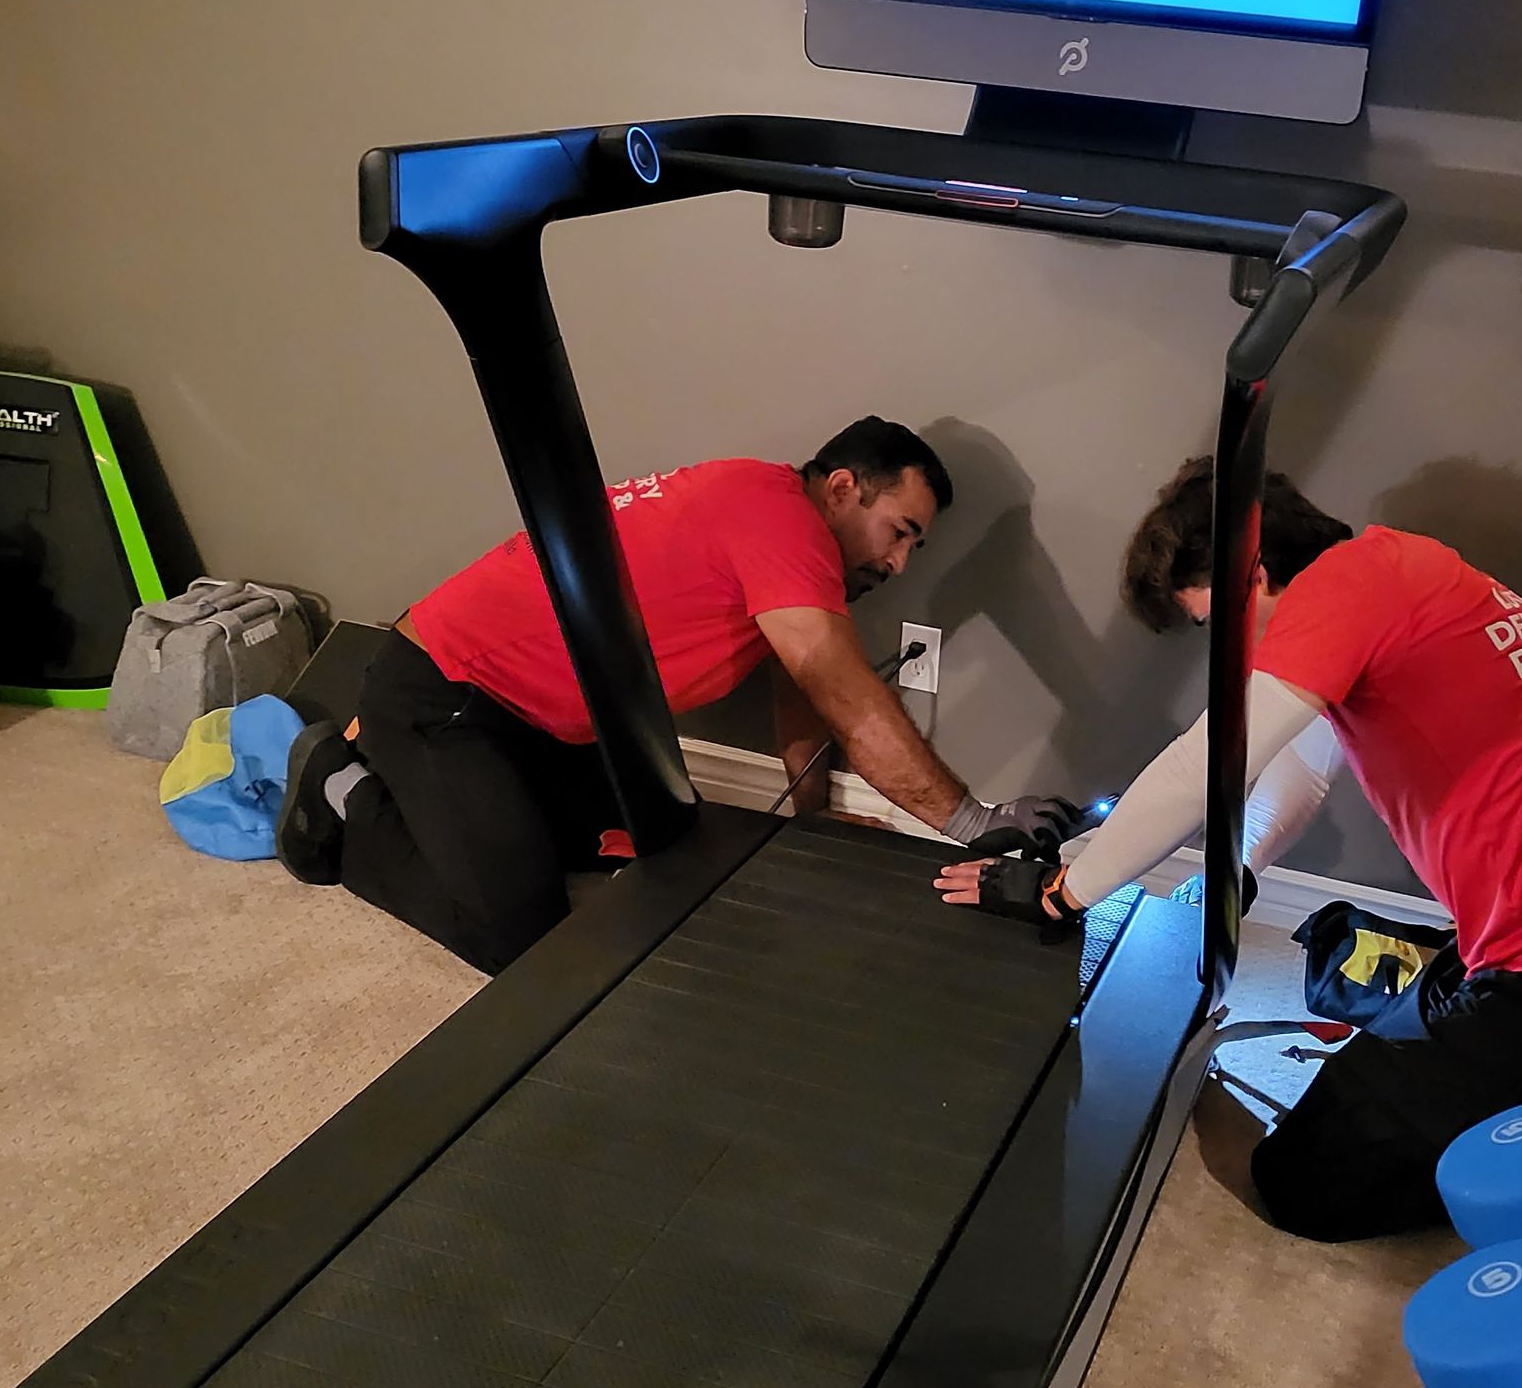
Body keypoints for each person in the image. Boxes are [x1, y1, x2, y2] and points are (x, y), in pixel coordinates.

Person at [937, 461, 1522, 1243]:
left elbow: (1203, 764)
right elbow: (1303, 769)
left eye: (1214, 623)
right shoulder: (1407, 572)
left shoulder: (1340, 593)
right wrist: (1237, 870)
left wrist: (1061, 893)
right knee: (1406, 1018)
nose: (1226, 650)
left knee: (1304, 1179)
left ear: (1251, 576)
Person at [279, 417, 1073, 973]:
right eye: (901, 530)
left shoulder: (770, 527)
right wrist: (974, 821)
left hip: (535, 726)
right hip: (445, 695)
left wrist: (814, 818)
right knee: (519, 940)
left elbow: (803, 689)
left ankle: (446, 800)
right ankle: (342, 790)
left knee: (657, 840)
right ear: (840, 488)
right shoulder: (778, 522)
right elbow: (848, 694)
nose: (902, 562)